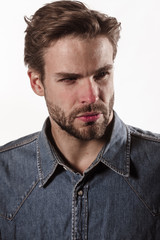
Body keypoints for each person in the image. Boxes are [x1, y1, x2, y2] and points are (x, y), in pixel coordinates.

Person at [0, 1, 160, 239]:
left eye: (102, 74)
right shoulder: (4, 174)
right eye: (69, 79)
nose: (91, 96)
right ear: (37, 83)